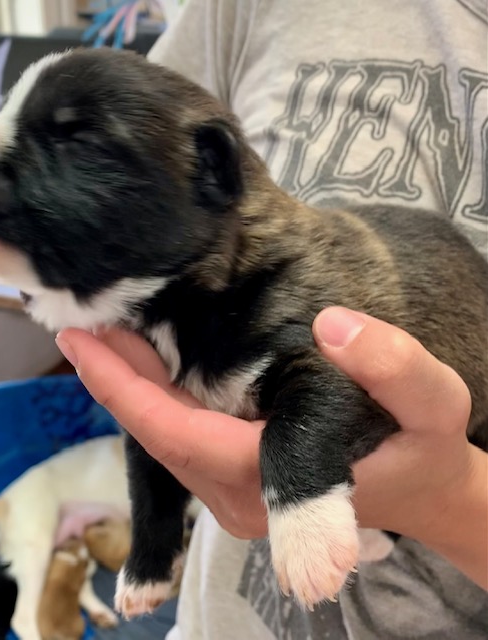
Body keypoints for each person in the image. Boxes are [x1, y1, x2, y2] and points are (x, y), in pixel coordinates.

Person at [56, 1, 488, 638]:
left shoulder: (291, 295)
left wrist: (444, 498)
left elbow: (320, 382)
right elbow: (130, 156)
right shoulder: (241, 10)